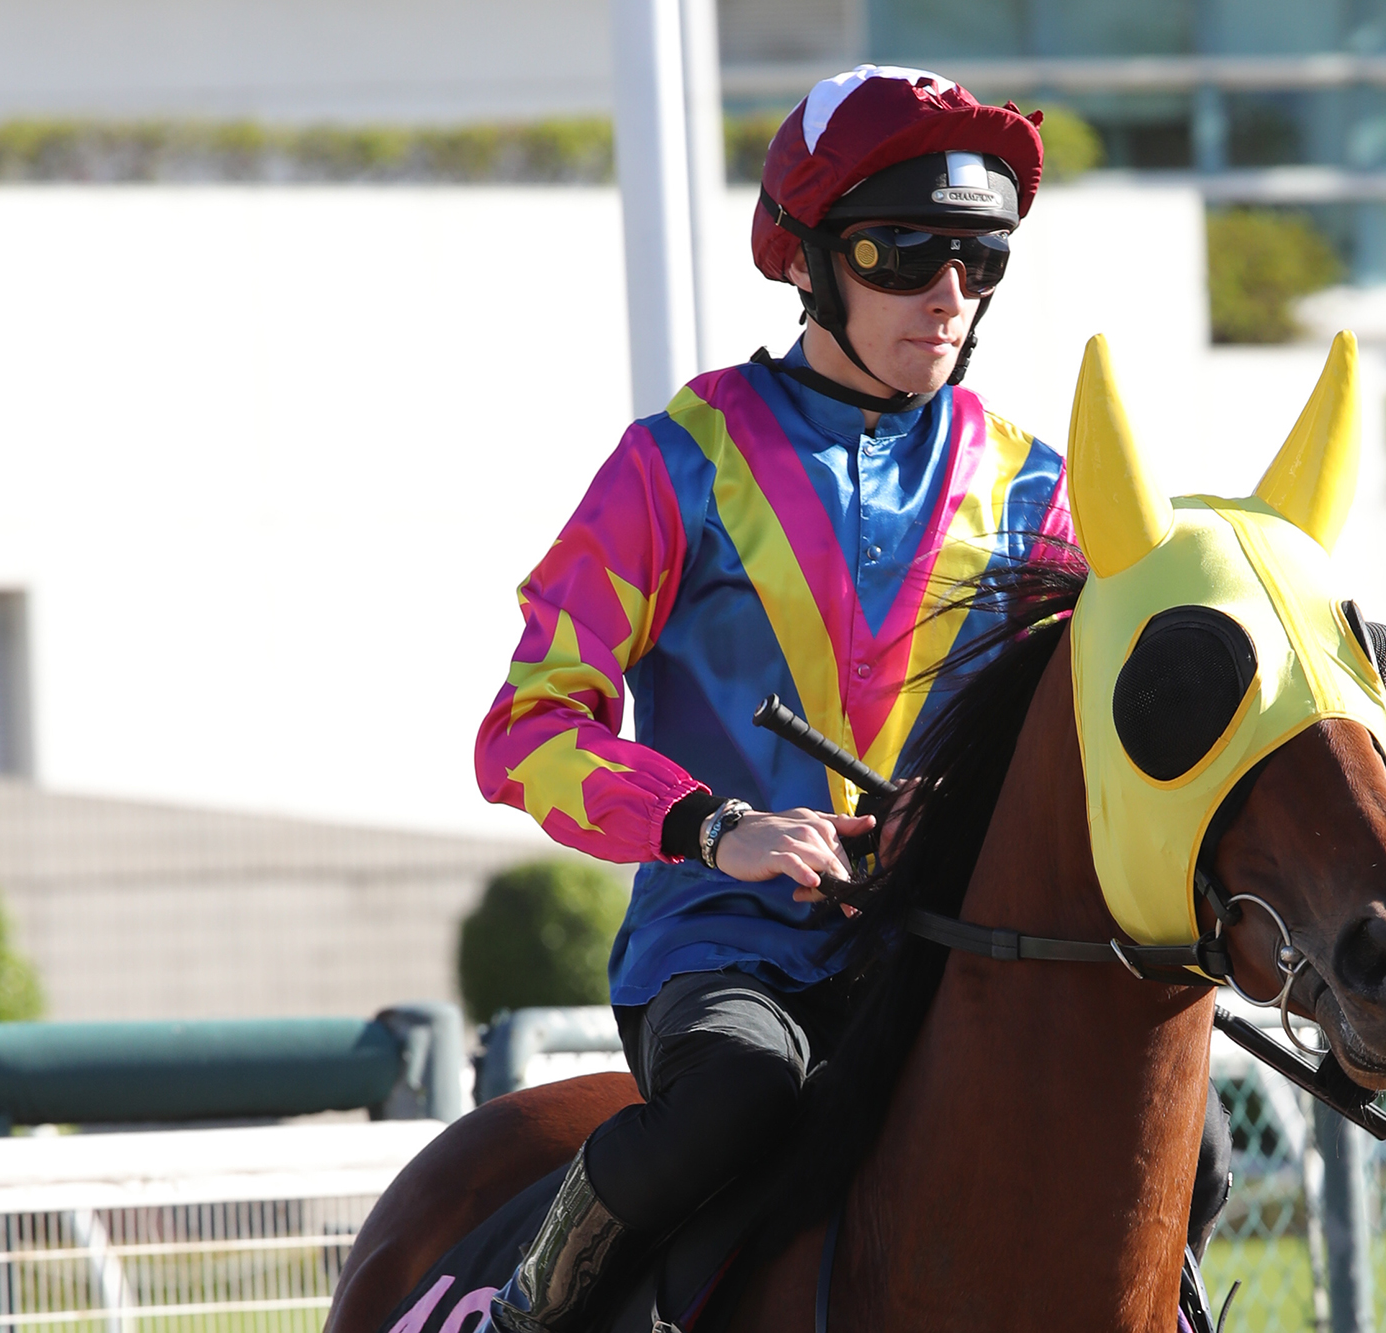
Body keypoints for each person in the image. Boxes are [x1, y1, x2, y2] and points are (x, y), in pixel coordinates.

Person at [473, 65, 1224, 1332]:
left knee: (1184, 1152)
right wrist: (718, 826)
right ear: (807, 262)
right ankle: (524, 1310)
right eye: (901, 255)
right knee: (742, 1093)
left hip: (940, 956)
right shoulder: (674, 466)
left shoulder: (1037, 493)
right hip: (725, 950)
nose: (945, 298)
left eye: (978, 263)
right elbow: (526, 730)